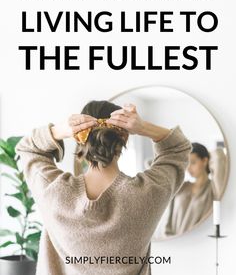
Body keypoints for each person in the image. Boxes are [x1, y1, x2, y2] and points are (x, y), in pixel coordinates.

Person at [15, 100, 192, 275]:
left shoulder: (54, 191)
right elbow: (177, 149)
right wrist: (142, 127)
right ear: (124, 136)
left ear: (78, 137)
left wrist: (59, 130)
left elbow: (28, 149)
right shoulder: (149, 193)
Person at [157, 142, 214, 238]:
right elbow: (150, 163)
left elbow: (219, 157)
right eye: (187, 163)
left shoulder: (213, 189)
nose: (189, 168)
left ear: (204, 161)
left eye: (193, 162)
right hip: (175, 243)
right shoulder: (181, 187)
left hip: (199, 244)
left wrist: (211, 156)